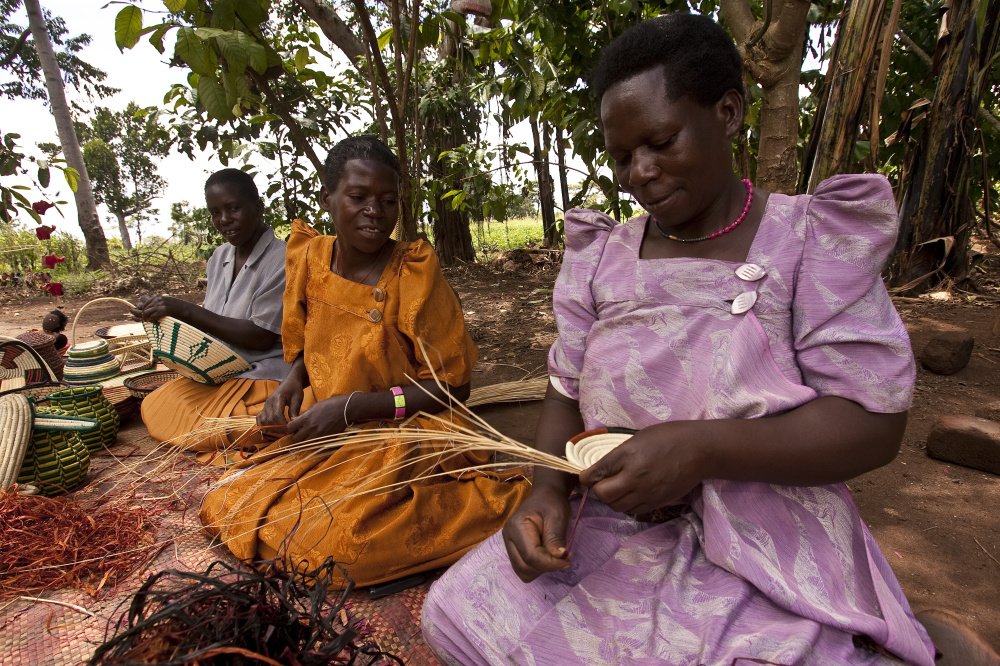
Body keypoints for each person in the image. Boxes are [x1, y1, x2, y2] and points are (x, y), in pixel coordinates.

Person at [421, 14, 947, 665]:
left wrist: (700, 450)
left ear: (727, 112)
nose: (639, 172)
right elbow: (563, 390)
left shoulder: (810, 243)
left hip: (766, 543)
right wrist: (546, 492)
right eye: (620, 157)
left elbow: (873, 424)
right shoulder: (602, 258)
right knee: (454, 614)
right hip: (611, 529)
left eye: (661, 142)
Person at [199, 136, 528, 588]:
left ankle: (493, 506)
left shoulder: (413, 273)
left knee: (333, 544)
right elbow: (306, 339)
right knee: (231, 502)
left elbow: (454, 388)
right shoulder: (311, 256)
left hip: (402, 428)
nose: (375, 210)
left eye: (388, 200)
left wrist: (353, 408)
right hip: (329, 422)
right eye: (358, 197)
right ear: (328, 198)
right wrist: (292, 381)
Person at [136, 168, 291, 458]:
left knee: (261, 420)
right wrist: (162, 315)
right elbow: (211, 325)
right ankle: (225, 428)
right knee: (155, 406)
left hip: (263, 376)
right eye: (215, 212)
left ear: (258, 207)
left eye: (234, 208)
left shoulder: (283, 258)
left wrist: (182, 308)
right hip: (219, 376)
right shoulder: (219, 257)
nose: (224, 220)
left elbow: (260, 337)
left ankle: (246, 428)